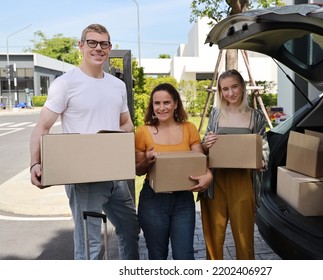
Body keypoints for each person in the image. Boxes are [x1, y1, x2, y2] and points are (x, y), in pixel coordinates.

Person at [29, 23, 140, 260]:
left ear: (109, 48)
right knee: (89, 248)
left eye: (103, 44)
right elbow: (43, 127)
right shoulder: (65, 84)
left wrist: (111, 140)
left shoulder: (117, 85)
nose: (98, 48)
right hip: (84, 178)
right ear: (81, 46)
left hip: (114, 174)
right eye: (92, 43)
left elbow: (126, 124)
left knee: (131, 228)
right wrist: (34, 163)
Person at [135, 83, 213, 260]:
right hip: (153, 201)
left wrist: (208, 174)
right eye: (157, 103)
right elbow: (138, 171)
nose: (161, 108)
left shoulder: (189, 128)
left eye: (167, 102)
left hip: (183, 200)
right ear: (152, 106)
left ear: (176, 104)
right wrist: (147, 160)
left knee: (184, 256)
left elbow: (200, 161)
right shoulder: (143, 132)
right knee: (157, 256)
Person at [199, 69, 270, 260]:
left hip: (243, 180)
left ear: (243, 87)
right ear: (220, 92)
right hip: (215, 181)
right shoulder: (215, 114)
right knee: (214, 236)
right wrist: (206, 143)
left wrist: (261, 161)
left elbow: (263, 146)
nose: (230, 93)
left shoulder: (256, 117)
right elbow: (204, 146)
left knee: (244, 236)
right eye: (225, 89)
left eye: (234, 87)